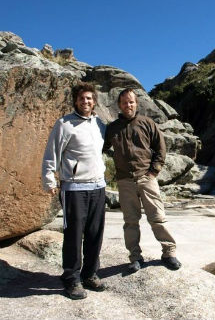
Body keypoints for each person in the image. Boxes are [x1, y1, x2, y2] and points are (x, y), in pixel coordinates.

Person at [103, 88, 181, 272]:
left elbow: (161, 150)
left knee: (158, 218)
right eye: (124, 102)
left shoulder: (147, 123)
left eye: (131, 102)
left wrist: (153, 172)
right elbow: (100, 148)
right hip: (124, 181)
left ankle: (169, 252)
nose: (128, 105)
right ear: (119, 106)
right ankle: (135, 257)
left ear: (136, 104)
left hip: (147, 178)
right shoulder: (112, 128)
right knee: (130, 222)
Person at [41, 82, 107, 300]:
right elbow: (52, 152)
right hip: (74, 187)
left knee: (95, 234)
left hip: (98, 186)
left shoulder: (99, 124)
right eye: (81, 98)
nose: (85, 101)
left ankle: (89, 273)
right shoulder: (64, 124)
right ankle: (71, 278)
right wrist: (49, 179)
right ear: (75, 101)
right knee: (73, 235)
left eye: (89, 98)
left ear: (94, 101)